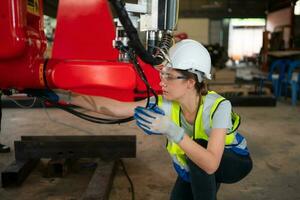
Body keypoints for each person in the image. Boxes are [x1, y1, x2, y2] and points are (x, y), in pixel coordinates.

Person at [52, 39, 252, 200]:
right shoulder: (165, 103)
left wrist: (172, 130)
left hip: (233, 163)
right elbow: (115, 108)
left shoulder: (219, 107)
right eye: (163, 74)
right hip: (193, 167)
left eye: (169, 77)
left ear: (191, 82)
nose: (161, 81)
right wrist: (65, 97)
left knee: (200, 152)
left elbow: (210, 164)